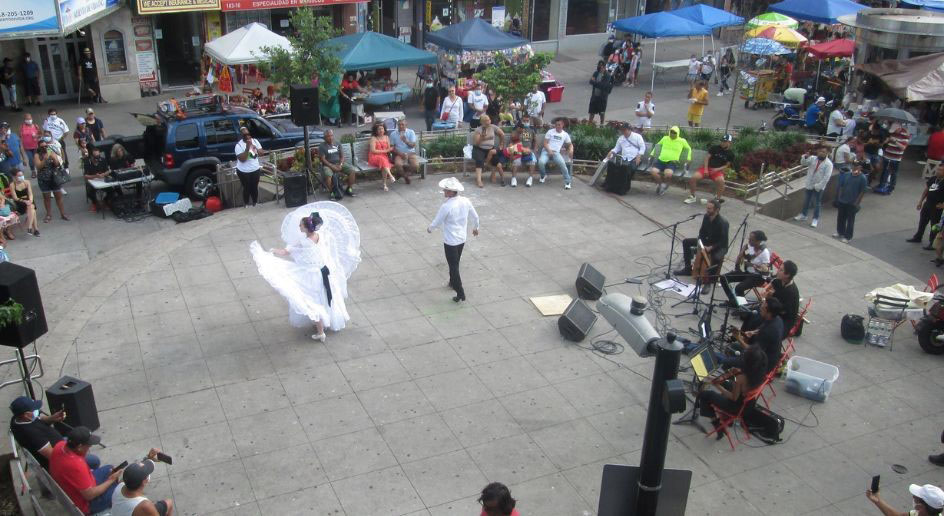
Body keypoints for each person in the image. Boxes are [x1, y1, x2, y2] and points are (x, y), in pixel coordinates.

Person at [250, 206, 360, 341]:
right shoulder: (319, 236)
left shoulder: (304, 241)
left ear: (306, 228)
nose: (299, 227)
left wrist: (273, 251)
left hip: (311, 275)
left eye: (301, 225)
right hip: (323, 272)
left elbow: (286, 252)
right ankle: (324, 323)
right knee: (323, 298)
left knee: (311, 301)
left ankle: (321, 332)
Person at [49, 426, 125, 515]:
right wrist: (111, 480)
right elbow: (89, 495)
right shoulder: (76, 465)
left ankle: (111, 491)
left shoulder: (60, 445)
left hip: (77, 487)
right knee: (123, 489)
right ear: (79, 447)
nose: (90, 447)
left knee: (110, 468)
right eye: (88, 445)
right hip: (87, 504)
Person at [696, 345, 767, 434]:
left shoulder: (741, 378)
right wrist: (726, 378)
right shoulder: (759, 374)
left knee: (705, 394)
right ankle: (711, 410)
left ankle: (716, 424)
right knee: (726, 383)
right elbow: (739, 385)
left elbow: (733, 398)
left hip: (735, 407)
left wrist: (716, 385)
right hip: (748, 406)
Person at [428, 177, 479, 302]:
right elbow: (475, 217)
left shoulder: (446, 206)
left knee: (453, 266)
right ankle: (452, 282)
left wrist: (430, 229)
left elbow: (437, 221)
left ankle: (460, 292)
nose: (444, 191)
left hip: (450, 241)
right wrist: (476, 228)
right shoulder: (465, 201)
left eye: (446, 190)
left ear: (451, 192)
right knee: (456, 262)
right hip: (461, 239)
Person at [676, 198, 729, 280]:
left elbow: (723, 241)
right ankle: (688, 269)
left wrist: (711, 247)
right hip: (707, 242)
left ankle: (711, 278)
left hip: (719, 246)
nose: (707, 210)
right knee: (686, 242)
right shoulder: (706, 217)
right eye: (707, 208)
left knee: (716, 257)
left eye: (709, 208)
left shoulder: (723, 223)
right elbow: (702, 232)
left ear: (717, 210)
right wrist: (701, 243)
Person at [9, 396, 65, 469]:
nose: (37, 410)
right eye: (34, 409)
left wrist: (52, 418)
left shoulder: (17, 418)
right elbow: (54, 457)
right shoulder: (32, 435)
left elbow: (39, 420)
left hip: (62, 444)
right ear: (26, 415)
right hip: (61, 455)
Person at [686, 134, 733, 204]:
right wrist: (705, 169)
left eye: (725, 141)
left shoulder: (730, 154)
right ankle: (692, 197)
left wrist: (717, 169)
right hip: (707, 168)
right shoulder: (715, 148)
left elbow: (727, 165)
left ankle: (717, 199)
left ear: (729, 143)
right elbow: (707, 158)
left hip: (717, 171)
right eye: (722, 141)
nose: (723, 143)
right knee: (693, 178)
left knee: (721, 182)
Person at [793, 146, 833, 228]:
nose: (821, 153)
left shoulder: (829, 164)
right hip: (810, 184)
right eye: (820, 151)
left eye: (823, 152)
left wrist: (818, 186)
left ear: (827, 153)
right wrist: (805, 157)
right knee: (806, 200)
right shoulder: (813, 158)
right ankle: (804, 215)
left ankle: (815, 219)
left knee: (817, 203)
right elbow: (803, 163)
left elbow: (826, 177)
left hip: (819, 186)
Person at [723, 230, 770, 297]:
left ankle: (740, 303)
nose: (749, 241)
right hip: (747, 272)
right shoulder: (750, 246)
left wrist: (756, 266)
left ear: (758, 241)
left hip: (757, 277)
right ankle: (732, 300)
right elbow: (744, 255)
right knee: (723, 278)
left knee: (739, 288)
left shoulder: (765, 252)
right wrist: (742, 253)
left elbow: (765, 269)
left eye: (752, 240)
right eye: (749, 238)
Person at [648, 126, 691, 196]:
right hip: (661, 160)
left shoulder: (682, 141)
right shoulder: (665, 138)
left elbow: (688, 149)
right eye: (671, 132)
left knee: (668, 174)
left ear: (677, 133)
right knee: (653, 172)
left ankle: (665, 185)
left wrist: (688, 158)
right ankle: (660, 184)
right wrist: (652, 154)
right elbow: (657, 146)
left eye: (674, 133)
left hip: (672, 162)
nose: (672, 134)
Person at [909, 163, 944, 248]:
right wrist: (920, 201)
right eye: (937, 169)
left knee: (934, 226)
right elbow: (927, 190)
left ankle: (932, 243)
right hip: (927, 204)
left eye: (940, 170)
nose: (937, 171)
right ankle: (918, 237)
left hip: (937, 208)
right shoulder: (933, 179)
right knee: (922, 222)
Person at [761, 260, 799, 336]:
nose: (777, 271)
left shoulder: (790, 292)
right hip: (774, 311)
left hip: (784, 320)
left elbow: (782, 311)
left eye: (781, 270)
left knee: (764, 330)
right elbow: (772, 283)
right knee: (753, 316)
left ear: (787, 275)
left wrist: (767, 299)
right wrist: (765, 290)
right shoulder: (780, 280)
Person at [834, 161, 869, 243]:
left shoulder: (862, 178)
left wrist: (856, 203)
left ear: (860, 168)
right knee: (840, 218)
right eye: (853, 166)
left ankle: (848, 236)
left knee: (850, 220)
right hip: (843, 200)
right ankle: (840, 232)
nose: (854, 168)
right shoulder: (846, 175)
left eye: (856, 167)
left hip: (852, 202)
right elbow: (841, 186)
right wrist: (839, 197)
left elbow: (862, 192)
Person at [34, 137, 67, 223]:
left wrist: (54, 159)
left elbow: (57, 164)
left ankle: (63, 213)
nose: (44, 148)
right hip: (43, 179)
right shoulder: (37, 155)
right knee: (47, 198)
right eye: (42, 147)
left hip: (54, 177)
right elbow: (38, 167)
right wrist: (45, 159)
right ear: (39, 147)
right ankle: (48, 214)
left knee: (58, 197)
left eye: (46, 146)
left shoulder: (51, 152)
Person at [317, 129, 356, 200]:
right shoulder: (322, 146)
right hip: (328, 165)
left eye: (331, 135)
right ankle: (331, 192)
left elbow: (342, 156)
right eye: (328, 136)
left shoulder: (337, 143)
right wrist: (332, 166)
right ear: (325, 137)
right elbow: (323, 159)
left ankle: (349, 188)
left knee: (352, 170)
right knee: (328, 175)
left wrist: (340, 164)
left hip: (339, 163)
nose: (330, 137)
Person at [866, 483, 943, 516]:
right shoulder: (919, 513)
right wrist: (878, 500)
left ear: (920, 506)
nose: (913, 497)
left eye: (916, 497)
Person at [538, 119, 574, 189]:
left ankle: (567, 182)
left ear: (562, 125)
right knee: (541, 162)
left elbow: (570, 144)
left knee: (562, 164)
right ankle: (543, 175)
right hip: (546, 151)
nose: (557, 126)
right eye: (556, 125)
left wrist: (571, 149)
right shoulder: (550, 132)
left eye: (559, 125)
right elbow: (545, 143)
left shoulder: (565, 134)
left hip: (556, 153)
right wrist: (549, 150)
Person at [876, 121, 910, 194]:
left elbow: (903, 147)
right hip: (887, 155)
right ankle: (881, 185)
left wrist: (895, 141)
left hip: (895, 158)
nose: (894, 132)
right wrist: (886, 141)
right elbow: (885, 143)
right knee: (884, 171)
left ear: (899, 128)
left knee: (893, 173)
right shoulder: (892, 132)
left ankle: (891, 188)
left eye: (895, 130)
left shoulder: (905, 134)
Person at [472, 114, 505, 188]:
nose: (488, 122)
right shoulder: (478, 130)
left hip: (490, 148)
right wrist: (482, 138)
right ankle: (479, 180)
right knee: (479, 160)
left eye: (489, 120)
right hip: (479, 148)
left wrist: (501, 144)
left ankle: (492, 174)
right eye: (486, 121)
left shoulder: (493, 127)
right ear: (482, 122)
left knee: (495, 159)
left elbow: (502, 134)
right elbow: (476, 143)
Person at [234, 126, 264, 206]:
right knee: (247, 187)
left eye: (248, 134)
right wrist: (247, 148)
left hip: (255, 169)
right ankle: (246, 204)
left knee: (254, 187)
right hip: (243, 171)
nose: (247, 136)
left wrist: (254, 147)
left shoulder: (255, 141)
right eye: (245, 135)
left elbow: (261, 153)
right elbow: (242, 159)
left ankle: (255, 203)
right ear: (241, 136)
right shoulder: (238, 145)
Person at [368, 123, 397, 191]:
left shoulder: (386, 137)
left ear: (384, 129)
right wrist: (386, 150)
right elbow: (373, 150)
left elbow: (388, 149)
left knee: (384, 164)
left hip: (384, 156)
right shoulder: (373, 138)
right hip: (374, 156)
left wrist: (391, 149)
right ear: (376, 131)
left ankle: (384, 184)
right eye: (379, 129)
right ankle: (391, 176)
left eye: (382, 129)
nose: (381, 130)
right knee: (383, 160)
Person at [389, 119, 418, 184]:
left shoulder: (411, 132)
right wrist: (400, 154)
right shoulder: (393, 134)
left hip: (410, 153)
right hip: (399, 154)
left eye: (403, 125)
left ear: (406, 125)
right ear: (397, 125)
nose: (401, 126)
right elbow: (392, 147)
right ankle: (406, 177)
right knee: (398, 165)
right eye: (399, 125)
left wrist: (406, 141)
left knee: (415, 165)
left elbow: (413, 145)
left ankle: (402, 174)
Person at [11, 170, 39, 236]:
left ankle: (30, 228)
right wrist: (25, 201)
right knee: (32, 209)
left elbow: (30, 193)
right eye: (19, 176)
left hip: (29, 200)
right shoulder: (12, 185)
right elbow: (15, 198)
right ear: (15, 177)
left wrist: (30, 201)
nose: (21, 177)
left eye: (22, 175)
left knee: (31, 207)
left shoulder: (27, 182)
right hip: (20, 201)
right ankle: (35, 229)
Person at [83, 146, 109, 213]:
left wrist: (103, 174)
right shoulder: (87, 162)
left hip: (102, 179)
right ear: (91, 156)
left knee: (111, 190)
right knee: (90, 192)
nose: (97, 158)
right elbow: (85, 175)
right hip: (92, 180)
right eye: (95, 156)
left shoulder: (103, 160)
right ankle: (95, 203)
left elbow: (107, 171)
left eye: (98, 156)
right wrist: (95, 176)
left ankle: (105, 201)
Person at [588, 60, 613, 125]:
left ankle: (601, 125)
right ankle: (589, 125)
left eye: (601, 66)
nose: (599, 67)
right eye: (598, 66)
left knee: (602, 113)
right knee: (591, 112)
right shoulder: (596, 73)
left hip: (602, 98)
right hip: (594, 96)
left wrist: (594, 82)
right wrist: (597, 83)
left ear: (604, 67)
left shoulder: (607, 75)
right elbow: (590, 81)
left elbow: (603, 86)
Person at [20, 113, 39, 178]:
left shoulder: (35, 126)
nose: (29, 120)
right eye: (27, 119)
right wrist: (21, 145)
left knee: (36, 158)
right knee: (31, 159)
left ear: (32, 119)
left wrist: (36, 136)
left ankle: (39, 169)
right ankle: (33, 171)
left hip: (35, 146)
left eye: (30, 119)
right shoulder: (22, 127)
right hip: (27, 147)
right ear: (24, 120)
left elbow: (40, 134)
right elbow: (20, 136)